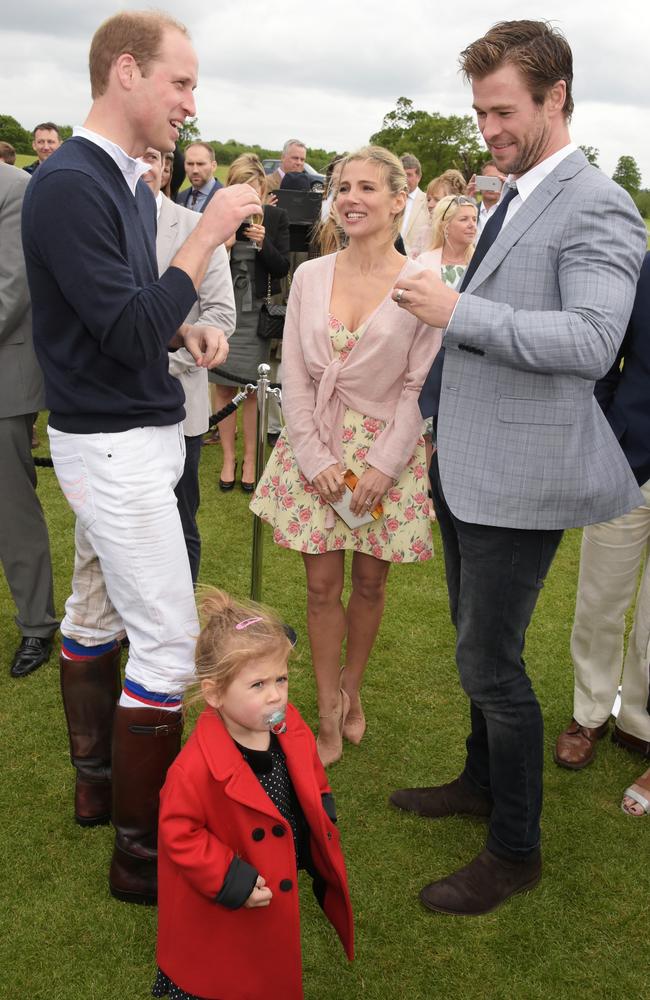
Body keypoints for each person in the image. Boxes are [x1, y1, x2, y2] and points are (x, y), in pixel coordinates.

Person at [390, 19, 647, 916]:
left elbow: (590, 342)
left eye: (503, 110)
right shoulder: (515, 191)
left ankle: (516, 848)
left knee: (491, 662)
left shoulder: (598, 202)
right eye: (480, 110)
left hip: (520, 478)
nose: (488, 128)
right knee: (475, 649)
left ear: (556, 97)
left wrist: (455, 310)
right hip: (466, 464)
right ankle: (480, 781)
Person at [21, 9, 262, 904]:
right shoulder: (70, 183)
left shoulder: (115, 179)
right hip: (114, 447)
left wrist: (189, 327)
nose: (191, 106)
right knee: (164, 648)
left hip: (133, 430)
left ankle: (95, 787)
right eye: (182, 83)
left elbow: (127, 320)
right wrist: (207, 232)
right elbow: (122, 330)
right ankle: (143, 859)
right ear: (127, 72)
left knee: (93, 614)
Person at [251, 146, 441, 767]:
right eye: (343, 187)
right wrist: (312, 456)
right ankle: (327, 710)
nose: (352, 198)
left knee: (368, 581)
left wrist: (384, 467)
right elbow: (298, 376)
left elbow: (419, 386)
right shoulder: (309, 275)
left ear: (397, 200)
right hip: (318, 446)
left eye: (367, 187)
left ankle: (350, 690)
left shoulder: (420, 286)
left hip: (387, 451)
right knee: (319, 586)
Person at [153, 589, 353, 1000]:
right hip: (229, 899)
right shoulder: (193, 769)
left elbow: (310, 771)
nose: (276, 694)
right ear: (214, 694)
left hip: (273, 877)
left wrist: (321, 811)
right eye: (258, 684)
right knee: (227, 970)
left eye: (281, 678)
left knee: (264, 964)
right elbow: (178, 833)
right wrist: (230, 878)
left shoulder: (285, 722)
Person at [553, 253, 650, 813]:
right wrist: (611, 430)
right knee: (599, 599)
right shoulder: (641, 268)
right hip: (628, 462)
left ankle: (638, 718)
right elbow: (604, 354)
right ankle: (589, 713)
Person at [141, 146, 236, 584]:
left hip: (179, 399)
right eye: (134, 156)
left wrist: (169, 345)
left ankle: (180, 629)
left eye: (154, 158)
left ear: (166, 168)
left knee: (180, 519)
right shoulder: (99, 224)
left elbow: (219, 314)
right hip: (110, 406)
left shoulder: (196, 227)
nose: (145, 167)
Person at [0, 161, 59, 679]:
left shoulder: (15, 187)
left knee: (11, 512)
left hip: (4, 378)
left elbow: (12, 288)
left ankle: (37, 624)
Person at [211, 153, 290, 493]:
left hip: (254, 315)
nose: (249, 194)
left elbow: (282, 267)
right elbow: (203, 264)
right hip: (221, 313)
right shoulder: (219, 218)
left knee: (252, 390)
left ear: (262, 188)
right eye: (242, 187)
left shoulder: (275, 217)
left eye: (254, 188)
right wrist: (225, 244)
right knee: (224, 387)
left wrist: (261, 243)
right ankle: (228, 458)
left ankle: (250, 459)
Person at [418, 194, 477, 288]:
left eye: (474, 219)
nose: (472, 225)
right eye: (464, 219)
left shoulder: (481, 263)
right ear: (445, 225)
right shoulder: (423, 261)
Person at [176, 141, 223, 212]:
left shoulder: (226, 198)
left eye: (200, 164)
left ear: (213, 166)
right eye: (190, 164)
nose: (195, 170)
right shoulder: (179, 198)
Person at [466, 160, 506, 236]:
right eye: (487, 180)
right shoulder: (471, 210)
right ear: (479, 181)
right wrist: (466, 200)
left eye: (496, 181)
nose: (491, 186)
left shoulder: (510, 212)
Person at [399, 153, 429, 254]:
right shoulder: (389, 201)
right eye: (402, 175)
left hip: (416, 262)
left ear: (419, 177)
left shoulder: (428, 202)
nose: (405, 179)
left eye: (409, 175)